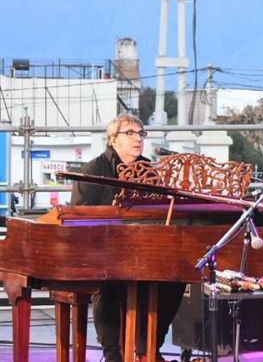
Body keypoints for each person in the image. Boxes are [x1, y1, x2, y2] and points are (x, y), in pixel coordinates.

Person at [71, 114, 184, 362]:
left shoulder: (149, 172)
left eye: (141, 133)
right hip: (103, 252)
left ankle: (148, 346)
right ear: (114, 140)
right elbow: (80, 216)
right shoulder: (94, 169)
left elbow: (162, 213)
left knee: (176, 279)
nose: (138, 139)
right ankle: (113, 354)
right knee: (109, 281)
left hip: (144, 250)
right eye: (130, 133)